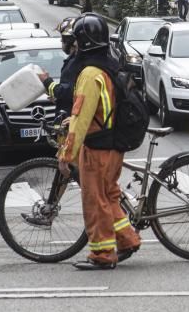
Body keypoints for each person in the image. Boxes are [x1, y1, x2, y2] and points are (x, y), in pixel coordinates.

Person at [56, 14, 142, 269]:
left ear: (81, 42)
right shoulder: (111, 65)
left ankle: (103, 255)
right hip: (115, 145)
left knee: (95, 202)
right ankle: (127, 239)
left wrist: (66, 154)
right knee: (109, 196)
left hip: (97, 147)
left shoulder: (90, 74)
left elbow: (81, 119)